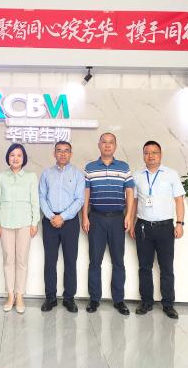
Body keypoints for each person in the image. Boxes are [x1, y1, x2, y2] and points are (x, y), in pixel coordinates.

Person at [130, 140, 186, 319]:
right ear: (143, 155)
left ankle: (168, 304)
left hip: (165, 227)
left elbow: (179, 200)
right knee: (144, 267)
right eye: (147, 152)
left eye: (154, 152)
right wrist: (131, 222)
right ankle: (146, 302)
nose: (151, 156)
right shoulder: (137, 176)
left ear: (160, 155)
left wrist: (180, 223)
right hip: (143, 227)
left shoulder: (171, 174)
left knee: (166, 268)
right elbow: (134, 202)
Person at [82, 132, 135, 314]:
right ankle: (94, 299)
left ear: (115, 146)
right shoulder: (90, 168)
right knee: (95, 261)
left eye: (111, 142)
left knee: (118, 261)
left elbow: (130, 192)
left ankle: (119, 300)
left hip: (117, 219)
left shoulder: (124, 167)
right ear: (99, 145)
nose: (107, 145)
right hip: (96, 218)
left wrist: (128, 216)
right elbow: (86, 193)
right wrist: (85, 216)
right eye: (104, 142)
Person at [0, 143, 40, 314]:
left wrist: (35, 222)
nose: (15, 158)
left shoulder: (31, 177)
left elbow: (35, 201)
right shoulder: (1, 177)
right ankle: (10, 295)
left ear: (23, 158)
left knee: (21, 260)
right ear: (8, 157)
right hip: (5, 223)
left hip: (25, 223)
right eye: (12, 155)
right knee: (8, 259)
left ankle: (20, 295)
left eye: (19, 155)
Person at [38, 140, 85, 313]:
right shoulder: (46, 173)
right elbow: (41, 197)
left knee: (70, 260)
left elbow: (79, 199)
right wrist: (52, 216)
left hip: (70, 222)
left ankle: (69, 298)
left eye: (66, 151)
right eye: (59, 150)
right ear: (54, 153)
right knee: (50, 261)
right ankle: (50, 297)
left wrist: (63, 217)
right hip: (50, 221)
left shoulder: (78, 174)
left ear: (71, 154)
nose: (63, 154)